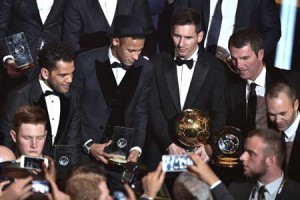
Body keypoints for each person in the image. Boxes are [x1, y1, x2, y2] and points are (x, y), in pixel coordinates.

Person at [72, 14, 153, 192]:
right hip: (85, 154)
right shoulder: (85, 63)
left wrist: (136, 149)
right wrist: (88, 144)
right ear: (116, 41)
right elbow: (73, 109)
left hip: (121, 156)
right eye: (131, 50)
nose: (136, 57)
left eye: (140, 51)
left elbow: (141, 112)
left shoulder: (145, 68)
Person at [147, 8, 227, 171]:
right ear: (171, 32)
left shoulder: (215, 68)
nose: (181, 44)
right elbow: (152, 108)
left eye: (188, 38)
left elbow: (220, 112)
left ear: (200, 36)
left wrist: (208, 147)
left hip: (198, 155)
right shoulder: (156, 63)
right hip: (161, 150)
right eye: (177, 36)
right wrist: (168, 143)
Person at [0, 43, 81, 179]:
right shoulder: (18, 96)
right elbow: (7, 141)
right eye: (63, 75)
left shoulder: (73, 95)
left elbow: (73, 140)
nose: (70, 80)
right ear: (45, 73)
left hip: (59, 175)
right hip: (24, 175)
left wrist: (69, 176)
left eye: (72, 73)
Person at [226, 28, 300, 136]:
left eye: (245, 58)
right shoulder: (230, 87)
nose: (238, 65)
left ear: (260, 54)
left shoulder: (291, 81)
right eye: (234, 59)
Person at [0, 0, 67, 110]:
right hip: (17, 67)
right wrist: (7, 59)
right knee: (14, 117)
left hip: (51, 67)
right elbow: (1, 28)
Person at [174, 0, 281, 63]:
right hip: (195, 60)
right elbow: (178, 18)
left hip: (235, 67)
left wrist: (252, 57)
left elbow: (272, 30)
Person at [63, 0, 154, 54]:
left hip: (131, 70)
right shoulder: (76, 2)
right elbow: (71, 44)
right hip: (91, 72)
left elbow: (147, 34)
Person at [266, 81, 300, 183]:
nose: (277, 120)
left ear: (296, 105)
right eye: (272, 114)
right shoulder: (269, 131)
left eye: (282, 113)